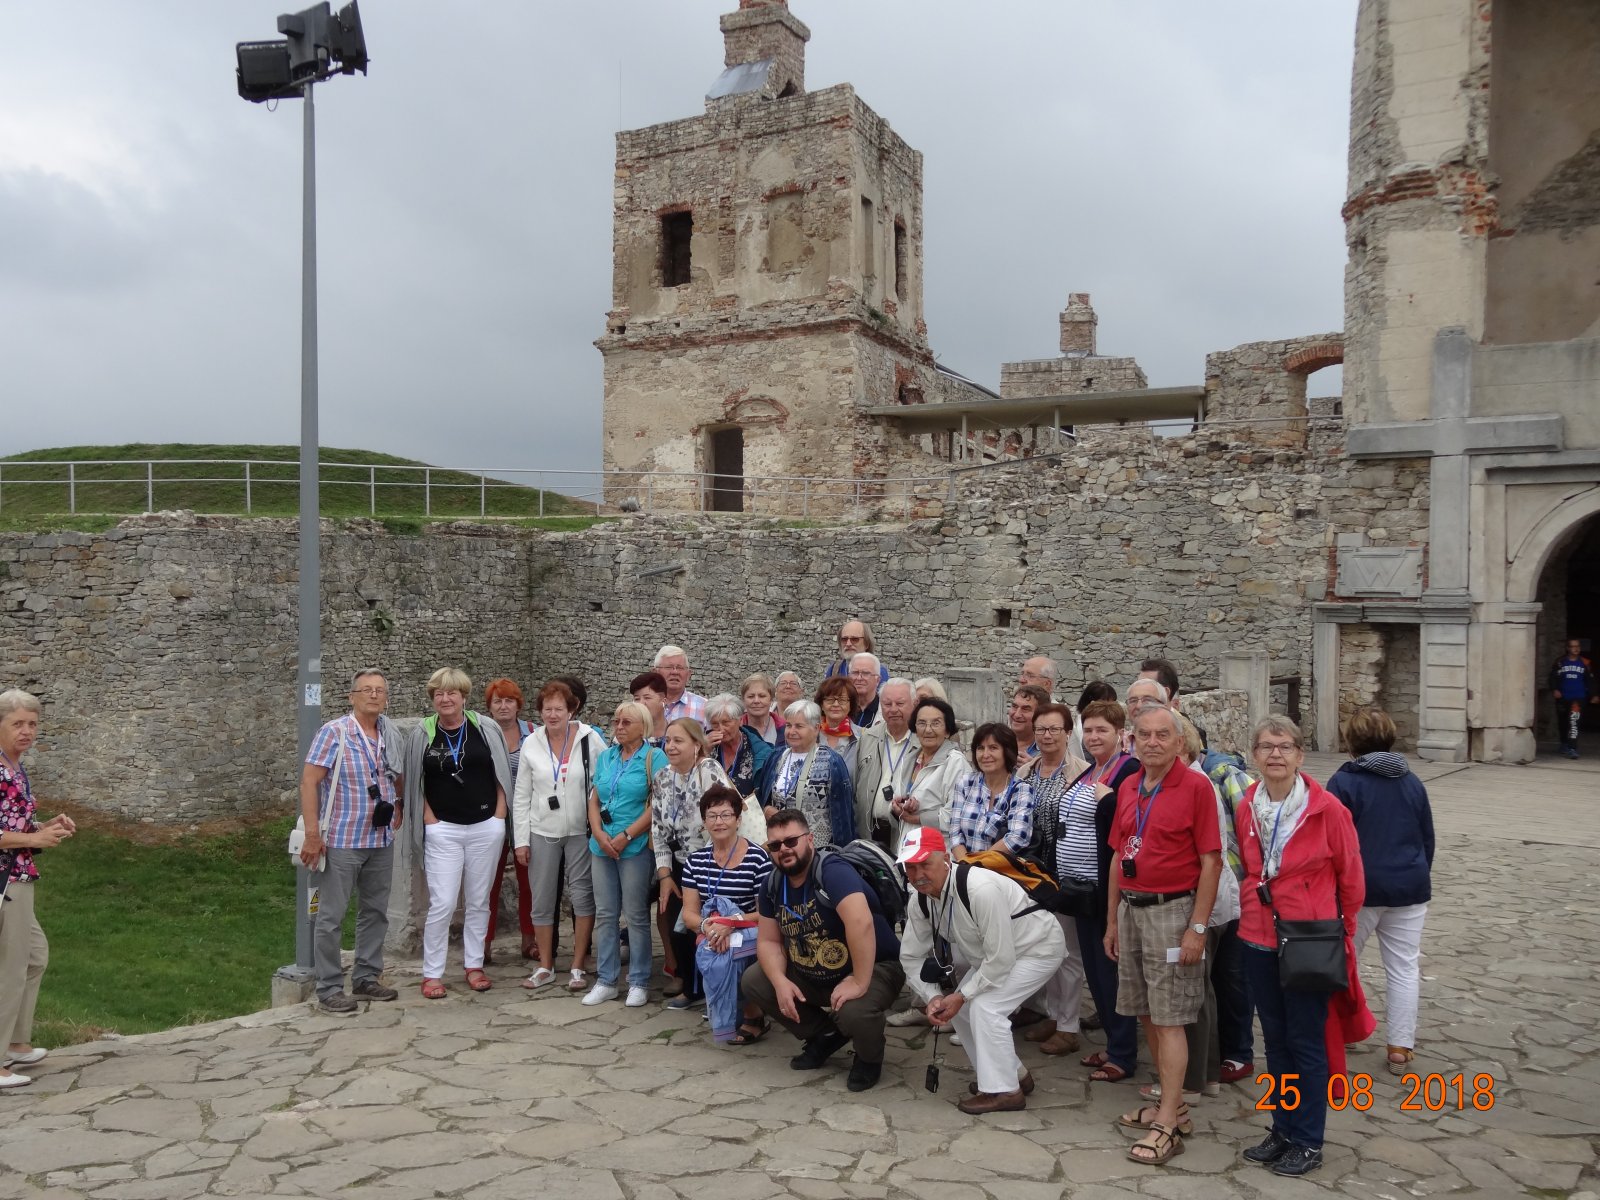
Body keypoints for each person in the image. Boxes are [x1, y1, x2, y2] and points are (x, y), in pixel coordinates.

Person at [1235, 716, 1367, 1178]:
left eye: (1285, 746)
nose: (1276, 754)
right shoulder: (1248, 805)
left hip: (1309, 938)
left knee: (1306, 1042)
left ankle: (1308, 1139)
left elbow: (1351, 877)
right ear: (1255, 755)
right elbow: (1250, 868)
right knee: (1275, 1041)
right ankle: (1283, 1128)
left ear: (1300, 755)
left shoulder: (1328, 810)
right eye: (1267, 746)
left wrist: (1342, 932)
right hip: (1258, 936)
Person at [1104, 704, 1223, 1167]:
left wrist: (1198, 927)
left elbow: (1211, 861)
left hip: (1173, 912)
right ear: (1132, 741)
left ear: (1179, 742)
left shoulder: (1196, 787)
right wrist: (1112, 921)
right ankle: (1171, 1105)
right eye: (1144, 735)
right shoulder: (1130, 785)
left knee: (1171, 1017)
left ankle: (1168, 1121)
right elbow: (1119, 856)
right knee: (1147, 1013)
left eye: (1162, 735)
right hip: (1132, 910)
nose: (1152, 742)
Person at [898, 827, 1066, 1113]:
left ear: (946, 860)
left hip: (1037, 948)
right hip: (998, 956)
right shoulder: (921, 900)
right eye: (910, 867)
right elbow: (910, 957)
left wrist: (961, 995)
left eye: (925, 864)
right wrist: (933, 997)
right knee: (962, 1010)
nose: (917, 875)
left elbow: (1001, 959)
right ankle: (1012, 1075)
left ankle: (1005, 1092)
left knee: (986, 1008)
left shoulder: (979, 889)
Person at [744, 808, 904, 1091]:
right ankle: (826, 1034)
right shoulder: (772, 884)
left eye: (791, 841)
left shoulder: (833, 871)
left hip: (873, 966)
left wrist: (859, 981)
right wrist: (780, 982)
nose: (784, 849)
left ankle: (868, 1058)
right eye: (775, 845)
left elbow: (861, 922)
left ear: (810, 839)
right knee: (755, 980)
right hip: (814, 970)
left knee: (854, 1010)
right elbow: (768, 941)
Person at [1326, 707, 1434, 1077]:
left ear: (1351, 742)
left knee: (1342, 963)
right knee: (1404, 967)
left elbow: (1333, 840)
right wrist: (1417, 871)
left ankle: (1345, 1030)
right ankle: (1400, 1046)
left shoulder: (1345, 783)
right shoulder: (1412, 782)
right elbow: (1427, 837)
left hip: (1361, 889)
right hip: (1409, 885)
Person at [1033, 700, 1137, 1069]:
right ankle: (1115, 1045)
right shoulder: (1093, 770)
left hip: (1104, 888)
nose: (1093, 737)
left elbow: (1126, 825)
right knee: (1095, 971)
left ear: (1120, 734)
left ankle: (1122, 1052)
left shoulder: (1128, 771)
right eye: (1088, 730)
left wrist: (1109, 802)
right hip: (1078, 889)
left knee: (1109, 973)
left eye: (1101, 730)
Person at [299, 669, 405, 1015]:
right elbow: (309, 782)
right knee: (331, 916)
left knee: (375, 912)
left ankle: (366, 977)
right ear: (352, 697)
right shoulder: (335, 732)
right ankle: (329, 988)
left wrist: (399, 803)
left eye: (380, 691)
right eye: (366, 690)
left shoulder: (389, 733)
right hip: (343, 838)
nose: (374, 695)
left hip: (380, 837)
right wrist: (313, 834)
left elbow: (396, 774)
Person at [403, 668, 512, 1000]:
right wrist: (430, 819)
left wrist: (499, 815)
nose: (445, 699)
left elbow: (501, 771)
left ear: (464, 696)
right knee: (443, 903)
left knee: (479, 901)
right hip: (444, 829)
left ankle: (474, 965)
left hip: (485, 826)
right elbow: (414, 781)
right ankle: (432, 973)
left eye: (451, 692)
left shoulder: (485, 728)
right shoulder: (422, 734)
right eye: (438, 693)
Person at [0, 690, 75, 1088]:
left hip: (20, 875)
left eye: (32, 723)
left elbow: (13, 823)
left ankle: (15, 1043)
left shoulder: (15, 766)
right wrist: (33, 839)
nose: (27, 731)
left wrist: (45, 828)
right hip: (6, 880)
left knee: (33, 957)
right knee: (10, 969)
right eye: (17, 723)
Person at [513, 679, 607, 993]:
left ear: (571, 710)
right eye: (547, 709)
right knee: (541, 898)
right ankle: (545, 965)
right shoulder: (532, 743)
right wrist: (521, 840)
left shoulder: (590, 738)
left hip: (581, 830)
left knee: (582, 897)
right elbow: (522, 795)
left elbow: (604, 781)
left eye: (558, 709)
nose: (552, 715)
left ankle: (578, 965)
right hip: (542, 830)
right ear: (540, 712)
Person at [682, 784, 773, 1044]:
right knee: (718, 947)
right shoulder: (695, 862)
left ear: (738, 820)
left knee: (732, 949)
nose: (719, 822)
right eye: (712, 816)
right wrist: (709, 927)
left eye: (725, 815)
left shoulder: (757, 859)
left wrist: (731, 923)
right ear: (704, 822)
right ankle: (731, 1011)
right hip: (711, 929)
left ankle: (752, 1013)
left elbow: (765, 913)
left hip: (748, 928)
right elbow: (689, 914)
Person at [584, 700, 660, 1007]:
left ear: (643, 727)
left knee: (636, 915)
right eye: (617, 721)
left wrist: (627, 836)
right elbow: (594, 798)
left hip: (635, 846)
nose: (619, 726)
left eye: (626, 722)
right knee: (605, 914)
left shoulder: (654, 757)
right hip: (601, 845)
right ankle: (606, 980)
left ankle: (639, 980)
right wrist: (598, 833)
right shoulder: (607, 756)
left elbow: (658, 804)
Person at [653, 717, 731, 1007]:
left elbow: (724, 818)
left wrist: (702, 867)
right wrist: (664, 874)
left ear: (697, 745)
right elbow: (657, 829)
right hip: (677, 863)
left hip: (710, 862)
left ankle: (714, 991)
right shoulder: (662, 777)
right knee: (678, 927)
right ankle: (691, 988)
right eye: (668, 741)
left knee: (704, 924)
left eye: (678, 741)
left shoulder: (708, 771)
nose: (671, 746)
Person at [483, 678, 536, 963]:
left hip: (527, 816)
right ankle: (483, 944)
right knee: (487, 883)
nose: (503, 706)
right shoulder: (480, 733)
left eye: (509, 701)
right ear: (489, 707)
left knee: (530, 882)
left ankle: (530, 940)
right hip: (490, 816)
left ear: (518, 705)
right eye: (497, 701)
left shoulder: (534, 733)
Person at [756, 701, 856, 847]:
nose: (791, 731)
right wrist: (766, 809)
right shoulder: (776, 757)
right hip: (781, 846)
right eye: (788, 725)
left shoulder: (831, 761)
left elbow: (843, 814)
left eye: (799, 726)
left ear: (816, 729)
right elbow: (763, 798)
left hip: (816, 848)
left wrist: (842, 852)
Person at [942, 723, 1035, 860]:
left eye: (993, 748)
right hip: (963, 866)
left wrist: (977, 866)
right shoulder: (965, 783)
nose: (985, 755)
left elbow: (1017, 837)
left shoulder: (1021, 789)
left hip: (999, 869)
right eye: (980, 748)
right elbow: (955, 834)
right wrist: (965, 865)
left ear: (1007, 751)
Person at [889, 697, 967, 851]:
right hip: (908, 847)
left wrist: (915, 818)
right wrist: (899, 805)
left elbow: (955, 815)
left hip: (937, 852)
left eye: (936, 723)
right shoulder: (910, 759)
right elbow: (895, 795)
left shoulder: (955, 762)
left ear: (947, 731)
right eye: (922, 723)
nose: (928, 730)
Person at [854, 677, 917, 848]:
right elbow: (855, 787)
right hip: (869, 833)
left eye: (900, 703)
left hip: (906, 835)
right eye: (887, 704)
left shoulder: (922, 743)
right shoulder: (868, 738)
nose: (893, 709)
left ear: (914, 704)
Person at [707, 692, 777, 796]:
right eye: (715, 724)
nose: (721, 729)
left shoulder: (759, 750)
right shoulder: (704, 744)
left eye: (726, 722)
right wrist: (702, 752)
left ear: (740, 721)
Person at [1549, 638, 1597, 758]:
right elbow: (1553, 677)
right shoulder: (1560, 662)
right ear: (1568, 648)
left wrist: (1594, 694)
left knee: (1574, 721)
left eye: (1578, 646)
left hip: (1578, 698)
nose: (1576, 649)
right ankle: (1564, 743)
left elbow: (1590, 680)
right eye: (1573, 646)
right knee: (1563, 722)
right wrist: (1554, 689)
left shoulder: (1585, 663)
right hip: (1563, 697)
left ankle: (1572, 748)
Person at [814, 676, 863, 782]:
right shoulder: (811, 734)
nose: (836, 704)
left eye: (842, 700)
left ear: (850, 705)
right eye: (830, 700)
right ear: (821, 705)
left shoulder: (863, 737)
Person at [655, 645, 707, 727]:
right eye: (669, 667)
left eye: (680, 668)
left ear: (688, 674)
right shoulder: (643, 705)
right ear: (655, 672)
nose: (675, 672)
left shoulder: (705, 708)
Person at [826, 620, 889, 684]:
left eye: (854, 639)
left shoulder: (878, 672)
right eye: (844, 639)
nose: (848, 644)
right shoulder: (834, 670)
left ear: (866, 644)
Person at [1008, 684, 1051, 764]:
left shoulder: (1052, 752)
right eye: (1014, 706)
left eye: (1025, 709)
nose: (1017, 715)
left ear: (1041, 715)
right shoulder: (995, 742)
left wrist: (1034, 768)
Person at [739, 674, 784, 745]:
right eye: (751, 696)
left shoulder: (785, 728)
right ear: (743, 700)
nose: (756, 701)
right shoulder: (735, 728)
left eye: (762, 696)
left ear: (771, 699)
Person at [630, 671, 670, 744]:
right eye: (637, 699)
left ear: (663, 700)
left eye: (647, 698)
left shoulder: (678, 732)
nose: (641, 703)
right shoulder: (628, 734)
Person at [848, 653, 884, 728]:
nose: (859, 678)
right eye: (855, 673)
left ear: (877, 680)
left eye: (865, 673)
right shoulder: (839, 708)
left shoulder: (886, 712)